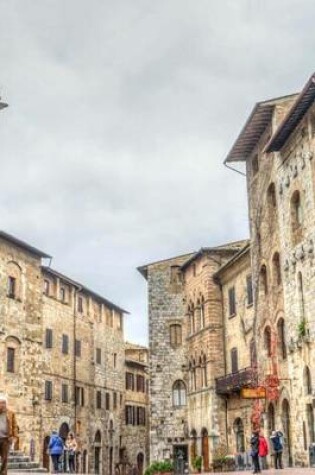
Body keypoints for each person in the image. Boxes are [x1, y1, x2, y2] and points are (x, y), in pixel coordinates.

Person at [0, 394, 18, 475]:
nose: (2, 405)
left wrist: (14, 437)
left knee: (5, 459)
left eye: (3, 403)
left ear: (6, 404)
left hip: (6, 439)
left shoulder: (11, 413)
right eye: (0, 403)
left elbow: (15, 425)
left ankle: (3, 473)